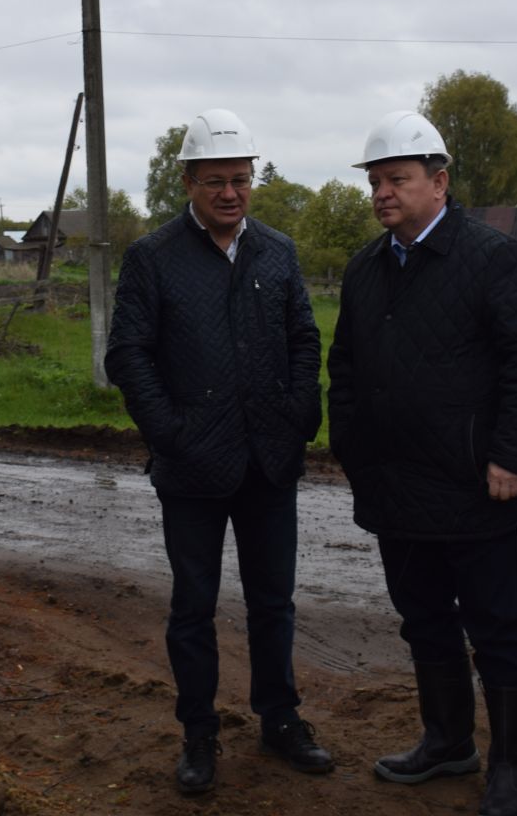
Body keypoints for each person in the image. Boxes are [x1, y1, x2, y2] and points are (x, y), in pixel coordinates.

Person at [327, 110, 517, 816]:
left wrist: (512, 456)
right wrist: (354, 450)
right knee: (422, 618)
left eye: (396, 179)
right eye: (375, 182)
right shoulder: (367, 268)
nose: (382, 194)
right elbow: (345, 367)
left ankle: (511, 763)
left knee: (495, 626)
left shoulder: (493, 259)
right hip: (395, 485)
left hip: (475, 486)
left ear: (440, 181)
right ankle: (447, 740)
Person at [104, 108, 332, 795]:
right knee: (193, 606)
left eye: (240, 179)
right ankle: (199, 733)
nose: (230, 193)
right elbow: (129, 356)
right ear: (188, 181)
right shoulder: (152, 258)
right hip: (192, 468)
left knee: (274, 602)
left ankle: (280, 719)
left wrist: (299, 416)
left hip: (269, 461)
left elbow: (303, 339)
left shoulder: (278, 251)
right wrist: (170, 434)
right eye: (215, 182)